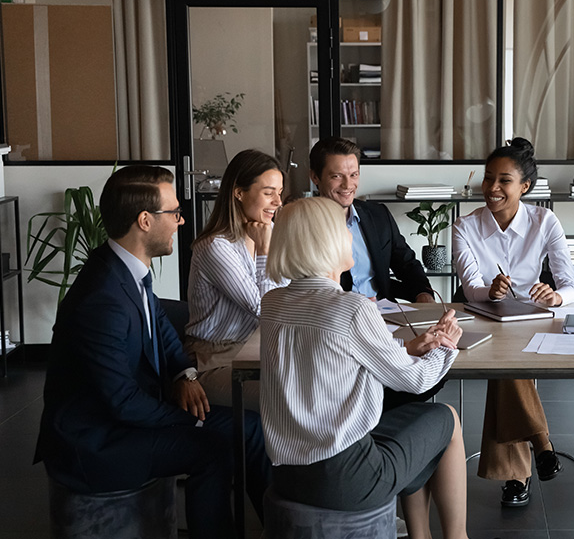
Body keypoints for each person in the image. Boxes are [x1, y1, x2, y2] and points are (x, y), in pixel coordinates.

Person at [35, 166, 270, 538]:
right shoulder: (102, 298)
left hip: (130, 413)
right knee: (211, 447)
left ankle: (279, 526)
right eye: (173, 212)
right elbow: (122, 402)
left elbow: (162, 326)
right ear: (145, 220)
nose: (180, 221)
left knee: (250, 427)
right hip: (97, 440)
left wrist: (184, 375)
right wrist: (191, 420)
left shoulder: (125, 267)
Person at [260, 197, 468, 539]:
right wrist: (446, 345)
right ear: (326, 240)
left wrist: (408, 347)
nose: (349, 235)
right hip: (348, 478)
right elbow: (415, 381)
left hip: (288, 475)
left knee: (411, 431)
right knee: (446, 418)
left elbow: (336, 355)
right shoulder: (352, 308)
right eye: (342, 228)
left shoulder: (273, 303)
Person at [452, 137, 574, 507]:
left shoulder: (545, 221)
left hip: (536, 321)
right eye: (488, 178)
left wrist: (556, 296)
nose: (491, 188)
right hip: (487, 320)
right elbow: (469, 287)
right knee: (509, 362)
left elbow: (570, 285)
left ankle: (518, 473)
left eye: (504, 180)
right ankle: (540, 444)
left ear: (524, 187)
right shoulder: (465, 226)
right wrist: (490, 292)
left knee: (507, 367)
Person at [185, 149, 288, 411]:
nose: (278, 202)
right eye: (268, 193)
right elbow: (267, 309)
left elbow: (288, 296)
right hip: (215, 359)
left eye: (279, 192)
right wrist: (265, 252)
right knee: (288, 395)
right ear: (239, 192)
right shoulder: (215, 246)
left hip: (259, 350)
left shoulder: (269, 231)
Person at [309, 136, 435, 303]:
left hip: (385, 315)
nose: (348, 185)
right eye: (337, 176)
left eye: (353, 175)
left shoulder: (378, 215)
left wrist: (423, 294)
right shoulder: (304, 225)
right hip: (336, 319)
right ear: (315, 177)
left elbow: (407, 265)